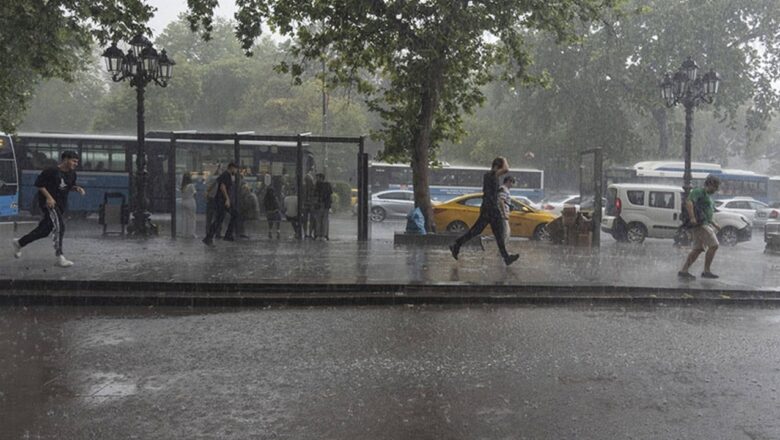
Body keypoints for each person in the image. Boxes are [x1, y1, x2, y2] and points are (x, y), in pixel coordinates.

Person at [12, 150, 85, 267]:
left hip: (61, 205)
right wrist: (49, 198)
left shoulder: (72, 174)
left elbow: (67, 186)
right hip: (49, 204)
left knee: (44, 231)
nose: (76, 164)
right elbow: (39, 184)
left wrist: (76, 188)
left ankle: (20, 243)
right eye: (74, 161)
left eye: (77, 162)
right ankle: (59, 256)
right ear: (66, 159)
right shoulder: (51, 171)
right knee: (60, 226)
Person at [449, 157, 519, 266]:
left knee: (482, 231)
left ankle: (457, 244)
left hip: (488, 208)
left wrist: (506, 201)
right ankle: (506, 257)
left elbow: (492, 193)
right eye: (500, 168)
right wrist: (504, 158)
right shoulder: (491, 175)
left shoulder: (491, 177)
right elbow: (506, 169)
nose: (502, 172)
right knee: (495, 233)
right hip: (491, 209)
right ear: (496, 167)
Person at [679, 174, 721, 279]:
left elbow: (706, 213)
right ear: (710, 184)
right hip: (700, 224)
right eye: (715, 187)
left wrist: (714, 223)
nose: (716, 189)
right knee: (714, 245)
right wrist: (692, 217)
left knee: (698, 249)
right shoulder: (699, 191)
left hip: (704, 223)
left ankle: (684, 271)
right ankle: (706, 271)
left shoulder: (708, 197)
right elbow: (689, 202)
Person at [203, 163, 239, 246]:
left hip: (221, 201)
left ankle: (220, 236)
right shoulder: (226, 175)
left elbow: (216, 182)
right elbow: (222, 187)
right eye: (236, 169)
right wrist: (227, 199)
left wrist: (207, 191)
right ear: (232, 168)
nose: (236, 171)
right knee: (226, 217)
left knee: (224, 218)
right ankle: (211, 237)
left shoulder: (224, 175)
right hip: (222, 201)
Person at [313, 173, 333, 240]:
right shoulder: (327, 185)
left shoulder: (317, 185)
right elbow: (330, 194)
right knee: (324, 220)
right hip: (325, 205)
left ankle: (318, 234)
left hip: (320, 205)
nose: (317, 179)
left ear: (321, 178)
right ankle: (324, 234)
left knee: (319, 220)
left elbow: (315, 195)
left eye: (318, 178)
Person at [498, 175, 516, 243]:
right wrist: (504, 213)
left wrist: (509, 206)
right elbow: (501, 201)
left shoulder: (505, 190)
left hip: (504, 214)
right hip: (502, 215)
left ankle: (501, 251)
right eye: (512, 183)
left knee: (505, 233)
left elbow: (504, 201)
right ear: (508, 181)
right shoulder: (503, 189)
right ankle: (502, 251)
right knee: (506, 233)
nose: (512, 185)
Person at [180, 173, 197, 238]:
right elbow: (195, 193)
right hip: (190, 201)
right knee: (192, 218)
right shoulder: (191, 185)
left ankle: (184, 233)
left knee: (184, 219)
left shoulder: (183, 186)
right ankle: (191, 233)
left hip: (183, 202)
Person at [302, 168, 316, 239]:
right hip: (308, 203)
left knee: (310, 219)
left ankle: (308, 233)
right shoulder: (306, 187)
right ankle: (307, 233)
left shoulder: (308, 188)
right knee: (307, 219)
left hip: (309, 203)